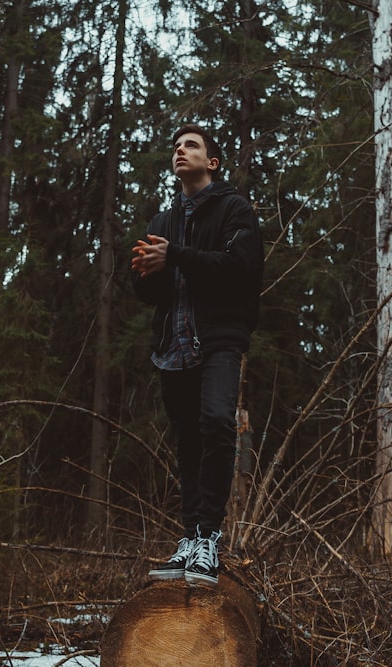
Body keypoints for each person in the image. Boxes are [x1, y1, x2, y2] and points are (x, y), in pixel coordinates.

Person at [130, 124, 263, 586]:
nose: (179, 151)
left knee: (216, 423)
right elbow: (147, 292)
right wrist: (148, 273)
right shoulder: (161, 223)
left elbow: (241, 270)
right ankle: (189, 541)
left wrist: (178, 256)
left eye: (190, 145)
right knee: (187, 442)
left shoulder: (234, 210)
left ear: (212, 162)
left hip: (219, 341)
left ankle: (210, 537)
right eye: (175, 146)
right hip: (173, 347)